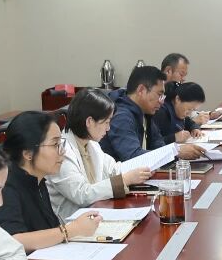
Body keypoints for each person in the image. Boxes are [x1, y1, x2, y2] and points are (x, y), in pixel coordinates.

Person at [0, 111, 105, 252]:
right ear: (28, 153)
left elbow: (49, 228)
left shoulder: (38, 179)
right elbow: (14, 239)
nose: (62, 151)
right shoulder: (6, 185)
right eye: (55, 144)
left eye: (61, 143)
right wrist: (72, 229)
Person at [47, 88, 153, 219]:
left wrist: (145, 167)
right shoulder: (62, 151)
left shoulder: (91, 144)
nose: (108, 128)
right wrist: (125, 179)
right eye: (106, 122)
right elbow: (82, 194)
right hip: (71, 222)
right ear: (89, 122)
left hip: (96, 214)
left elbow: (113, 169)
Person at [102, 66, 203, 162]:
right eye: (159, 94)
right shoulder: (121, 116)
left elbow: (158, 145)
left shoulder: (145, 113)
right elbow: (133, 157)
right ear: (141, 90)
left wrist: (175, 152)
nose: (161, 101)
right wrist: (175, 152)